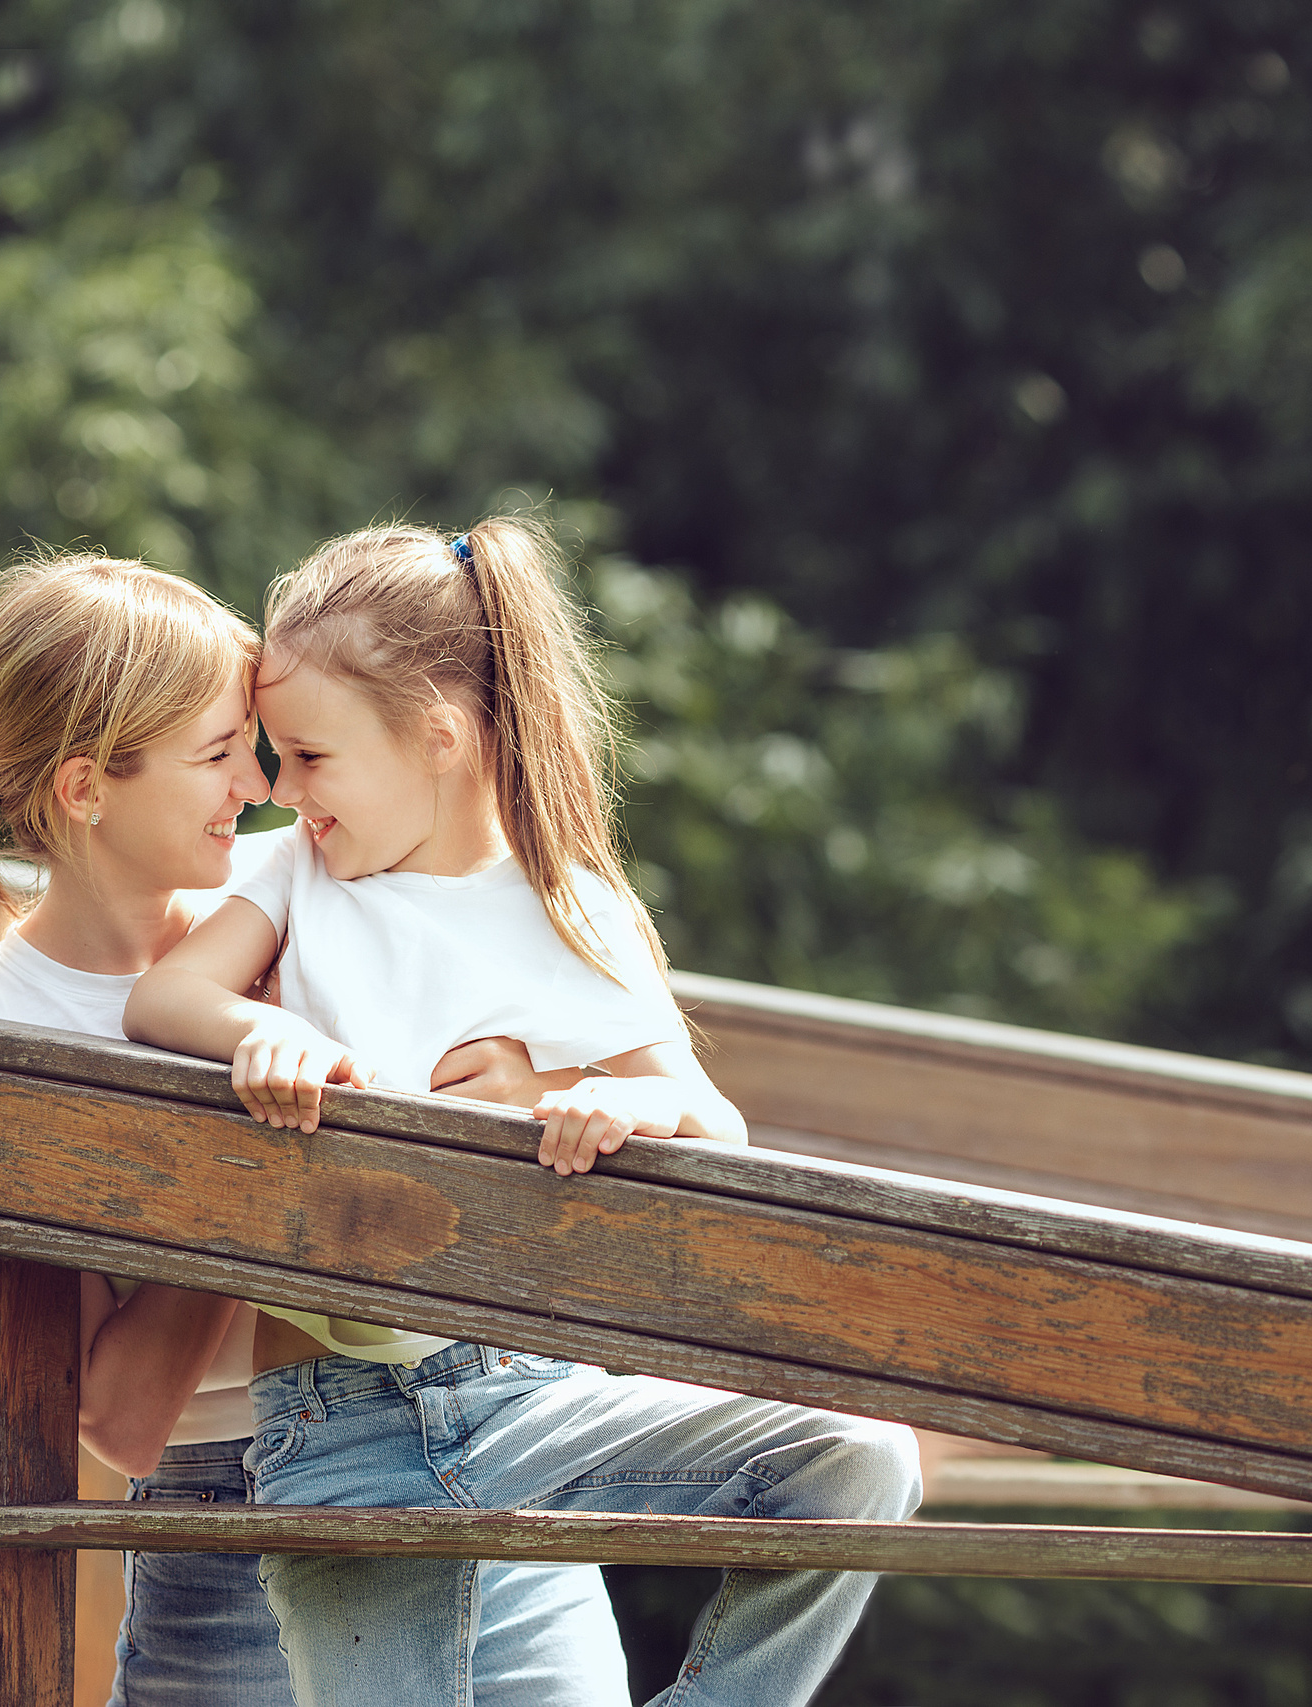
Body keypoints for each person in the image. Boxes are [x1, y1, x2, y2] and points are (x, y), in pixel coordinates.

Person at [126, 518, 924, 1707]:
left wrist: (606, 1101)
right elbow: (165, 997)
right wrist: (267, 1033)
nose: (283, 793)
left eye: (307, 758)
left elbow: (711, 1121)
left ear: (438, 738)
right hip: (336, 1431)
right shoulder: (293, 874)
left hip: (526, 1391)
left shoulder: (571, 908)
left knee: (857, 1458)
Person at [0, 551, 629, 1706]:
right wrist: (260, 1164)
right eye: (218, 754)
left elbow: (582, 1042)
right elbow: (121, 1423)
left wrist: (529, 1076)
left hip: (471, 1444)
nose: (263, 785)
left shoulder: (312, 886)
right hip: (227, 1519)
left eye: (261, 743)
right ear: (87, 788)